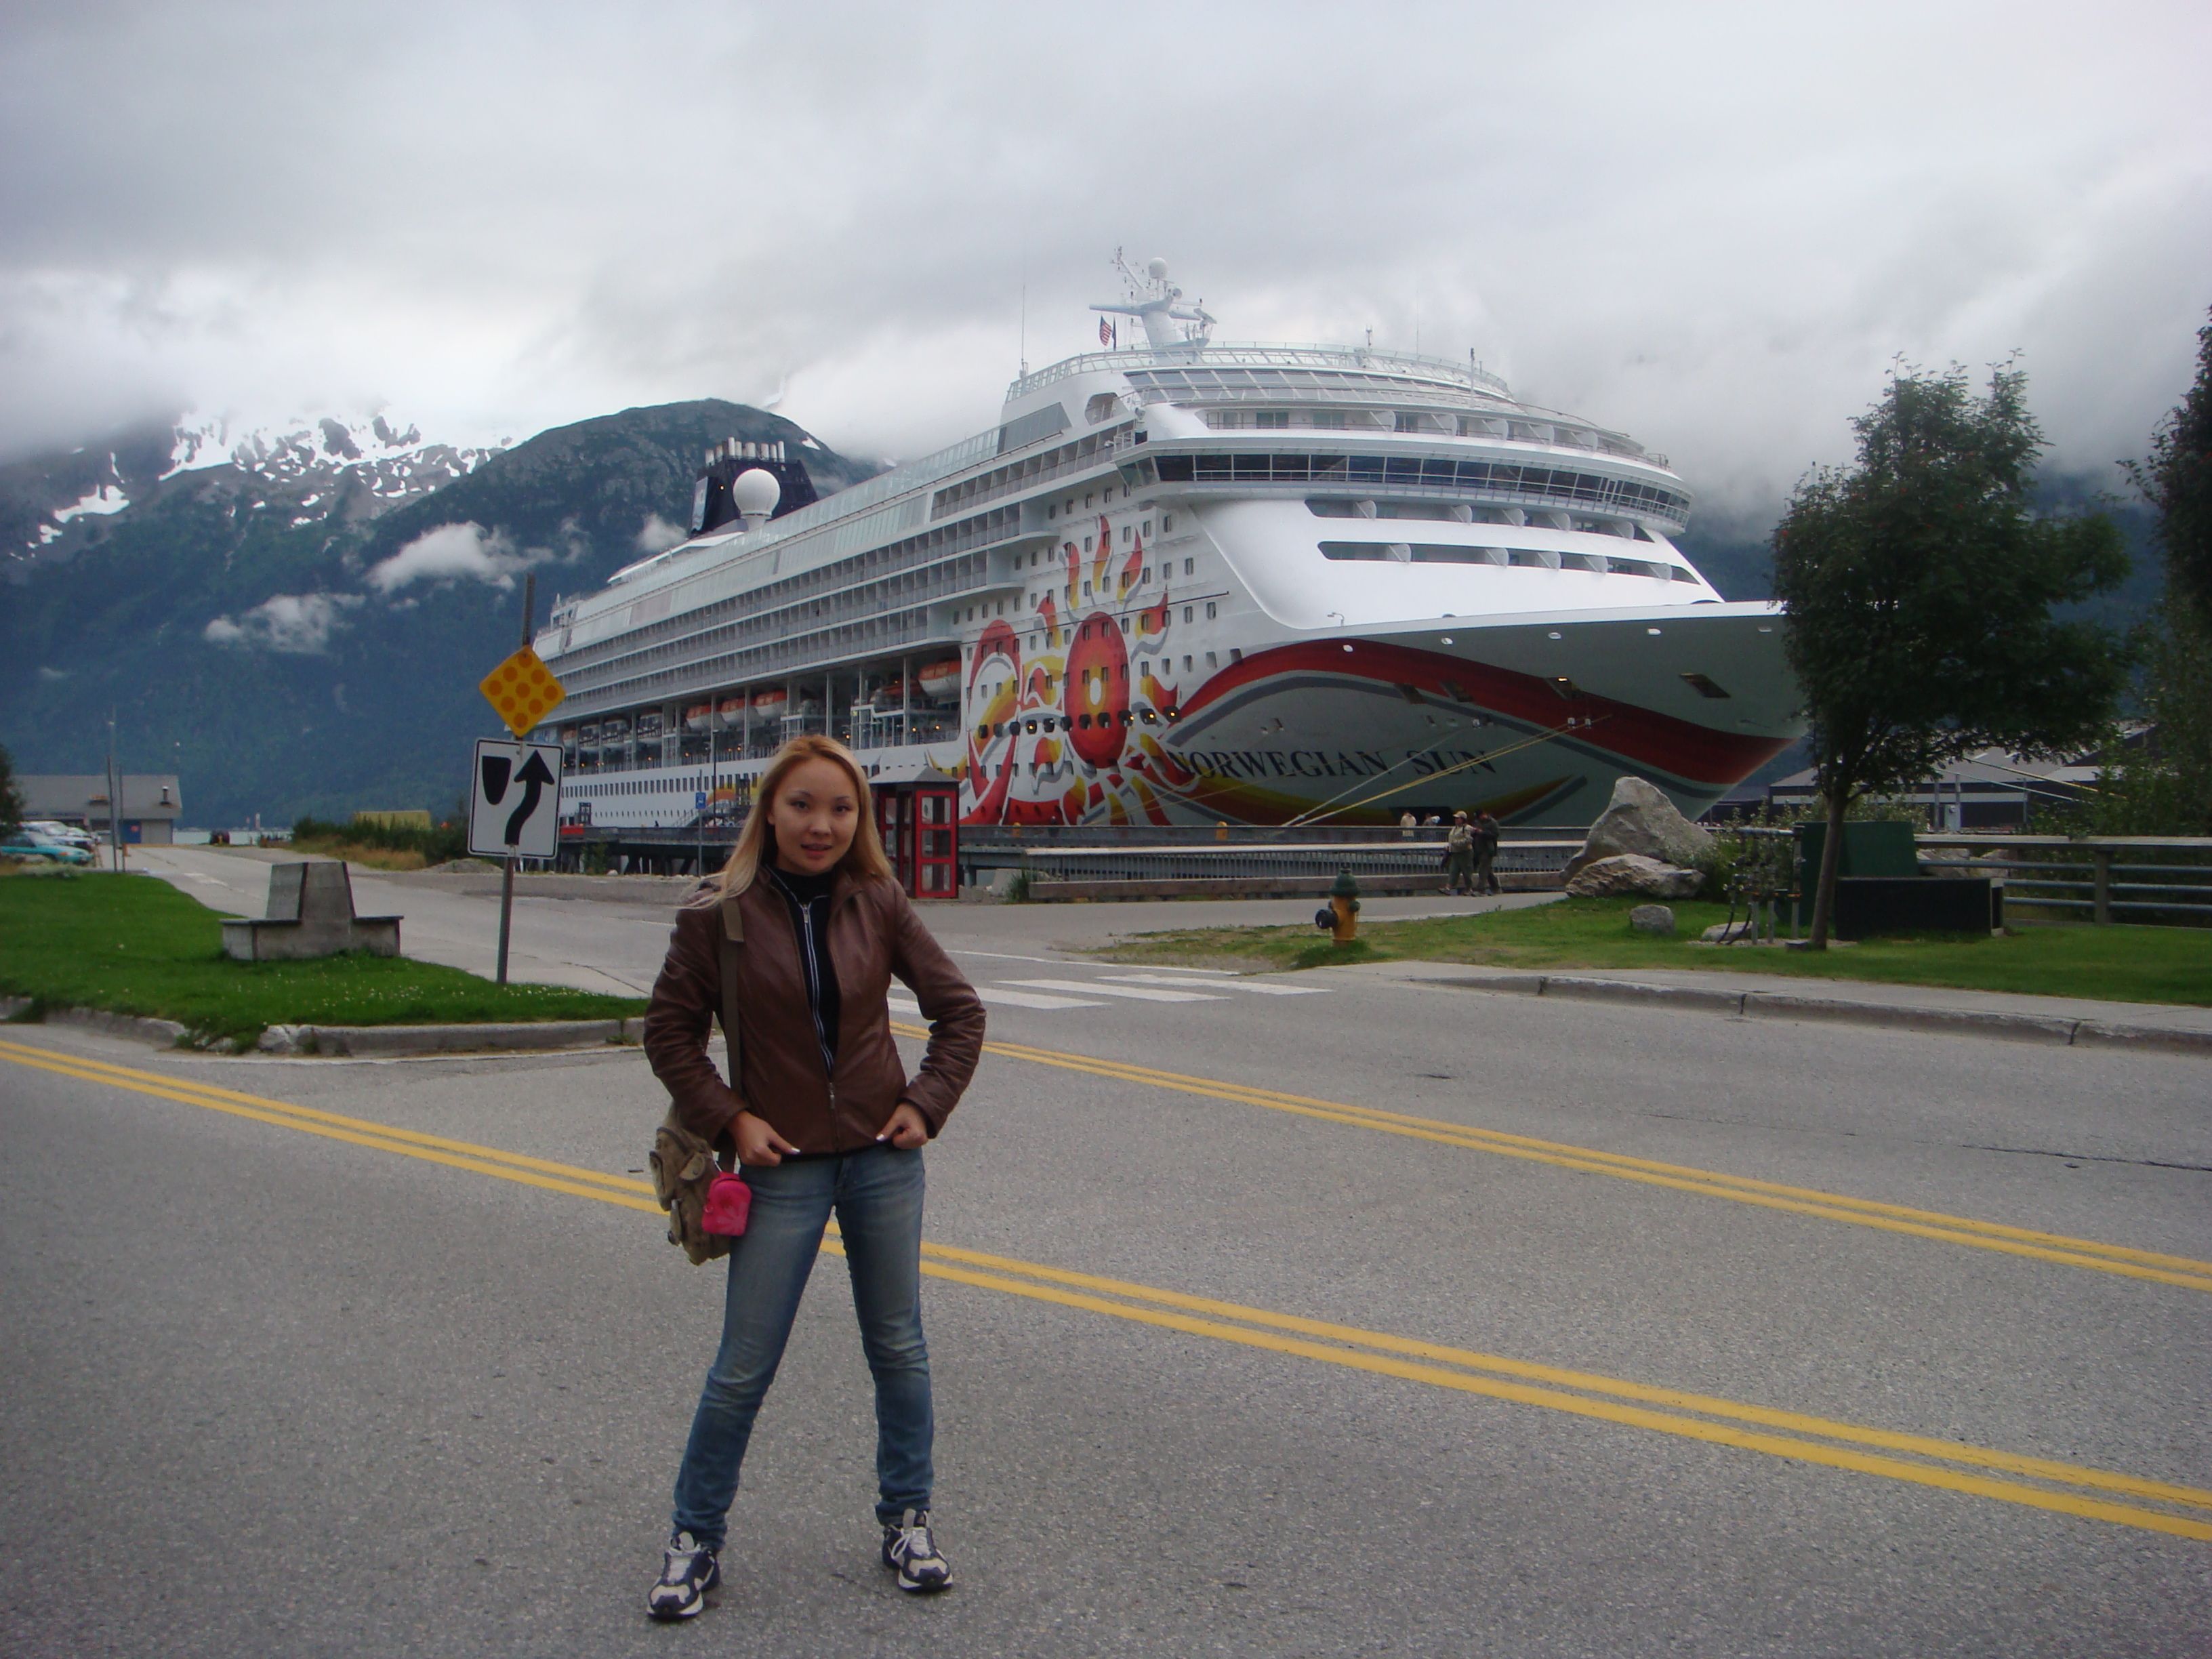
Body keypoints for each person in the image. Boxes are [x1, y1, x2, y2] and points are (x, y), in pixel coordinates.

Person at [640, 735, 986, 1620]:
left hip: (881, 1160)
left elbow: (959, 1012)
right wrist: (733, 1118)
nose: (821, 825)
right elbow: (670, 1036)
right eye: (802, 805)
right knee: (744, 1364)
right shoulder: (716, 913)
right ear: (769, 811)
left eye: (841, 808)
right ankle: (695, 1539)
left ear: (860, 818)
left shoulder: (879, 902)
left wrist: (926, 1103)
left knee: (899, 1348)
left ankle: (907, 1521)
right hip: (779, 1164)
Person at [1443, 811, 1475, 895]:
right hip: (1455, 853)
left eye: (1458, 818)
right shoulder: (1454, 828)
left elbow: (1469, 840)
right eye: (1456, 818)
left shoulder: (1467, 828)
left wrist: (1456, 843)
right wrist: (1449, 846)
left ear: (1463, 819)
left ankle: (1469, 888)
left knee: (1467, 872)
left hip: (1465, 853)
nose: (1456, 820)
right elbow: (1452, 839)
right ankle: (1448, 888)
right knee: (1453, 870)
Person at [1473, 809, 1502, 896]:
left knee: (1482, 869)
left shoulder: (1492, 823)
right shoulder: (1478, 822)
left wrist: (1483, 833)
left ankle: (1481, 889)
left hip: (1488, 849)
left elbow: (1496, 834)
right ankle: (1496, 887)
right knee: (1487, 870)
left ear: (1484, 815)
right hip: (1479, 849)